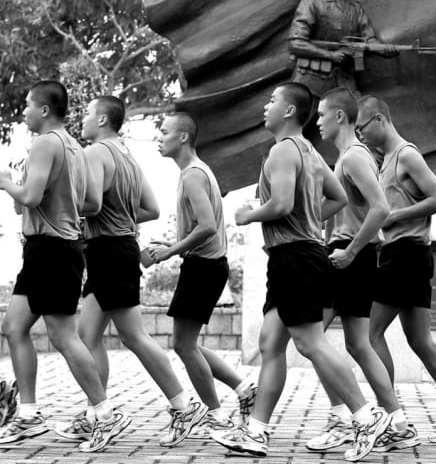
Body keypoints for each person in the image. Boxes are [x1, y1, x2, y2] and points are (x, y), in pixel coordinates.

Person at [212, 83, 389, 461]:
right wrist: (309, 221)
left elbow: (279, 204)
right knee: (270, 343)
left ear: (290, 111)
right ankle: (256, 432)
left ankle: (365, 417)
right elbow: (338, 197)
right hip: (296, 255)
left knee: (310, 343)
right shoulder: (310, 151)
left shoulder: (282, 151)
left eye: (272, 101)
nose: (266, 107)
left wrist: (247, 215)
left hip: (295, 258)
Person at [53, 96, 206, 448]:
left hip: (109, 250)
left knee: (134, 336)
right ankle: (96, 414)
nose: (82, 118)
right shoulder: (127, 156)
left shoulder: (95, 152)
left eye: (87, 113)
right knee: (87, 335)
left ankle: (183, 407)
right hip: (116, 248)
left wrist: (53, 200)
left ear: (102, 119)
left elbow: (91, 204)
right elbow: (151, 209)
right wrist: (120, 219)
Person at [0, 81, 129, 452]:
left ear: (44, 110)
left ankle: (104, 414)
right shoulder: (74, 146)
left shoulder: (45, 143)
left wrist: (7, 183)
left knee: (63, 336)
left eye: (28, 105)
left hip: (52, 250)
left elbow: (30, 197)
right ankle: (28, 415)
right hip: (52, 247)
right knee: (14, 326)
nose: (24, 112)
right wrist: (39, 197)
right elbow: (89, 203)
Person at [355, 94, 436, 444]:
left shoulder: (406, 155)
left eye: (362, 127)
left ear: (379, 119)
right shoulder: (385, 161)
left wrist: (392, 216)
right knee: (419, 340)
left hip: (405, 255)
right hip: (407, 255)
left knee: (369, 335)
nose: (360, 135)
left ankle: (391, 420)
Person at [306, 87, 418, 453]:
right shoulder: (350, 157)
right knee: (357, 344)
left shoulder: (354, 156)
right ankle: (397, 423)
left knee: (310, 339)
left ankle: (346, 418)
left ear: (340, 116)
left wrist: (350, 251)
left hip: (349, 255)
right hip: (350, 254)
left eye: (322, 115)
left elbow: (381, 208)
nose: (317, 122)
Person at [151, 113, 256, 439]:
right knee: (187, 344)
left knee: (183, 346)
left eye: (165, 132)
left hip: (204, 267)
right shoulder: (196, 172)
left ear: (183, 137)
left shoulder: (193, 175)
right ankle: (244, 389)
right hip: (207, 265)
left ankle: (216, 416)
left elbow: (208, 226)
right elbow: (202, 227)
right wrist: (173, 246)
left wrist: (171, 251)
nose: (159, 137)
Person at [289, 0, 395, 159]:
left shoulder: (355, 8)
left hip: (344, 82)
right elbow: (296, 43)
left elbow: (369, 39)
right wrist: (330, 55)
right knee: (292, 133)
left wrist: (383, 49)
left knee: (364, 117)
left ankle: (377, 164)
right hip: (312, 82)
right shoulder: (313, 1)